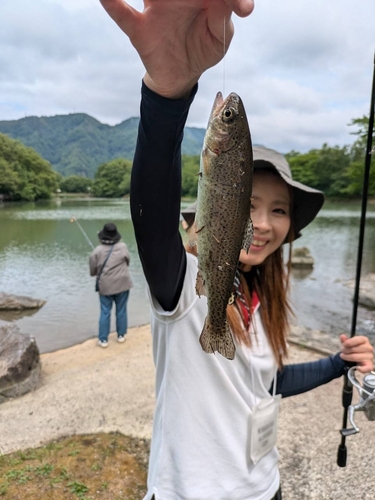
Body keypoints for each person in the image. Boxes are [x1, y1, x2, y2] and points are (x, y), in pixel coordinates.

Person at [100, 1, 374, 498]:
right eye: (247, 203)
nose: (264, 225)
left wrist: (341, 363)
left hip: (265, 487)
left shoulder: (261, 295)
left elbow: (266, 384)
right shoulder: (183, 284)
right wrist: (166, 96)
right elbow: (153, 212)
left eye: (280, 210)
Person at [89, 222, 133, 347]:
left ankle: (103, 340)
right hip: (123, 283)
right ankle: (121, 335)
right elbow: (127, 262)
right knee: (121, 310)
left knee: (105, 311)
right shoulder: (123, 247)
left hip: (106, 286)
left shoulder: (97, 251)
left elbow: (92, 272)